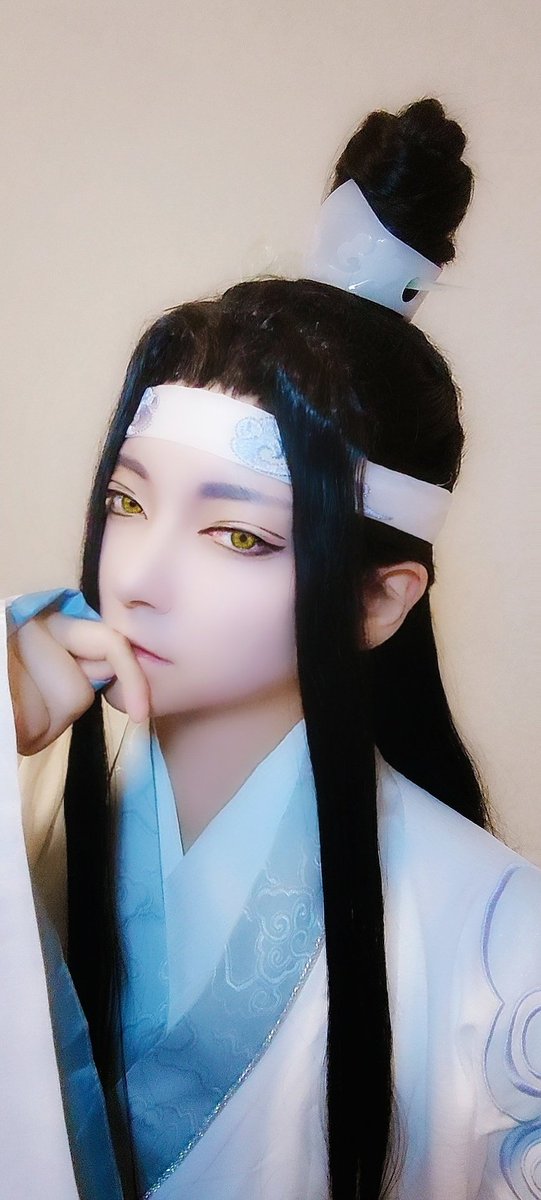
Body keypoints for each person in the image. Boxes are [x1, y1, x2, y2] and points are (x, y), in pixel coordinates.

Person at [3, 97, 541, 1200]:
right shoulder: (31, 812)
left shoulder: (500, 945)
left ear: (379, 601)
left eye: (237, 534)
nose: (139, 576)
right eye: (127, 501)